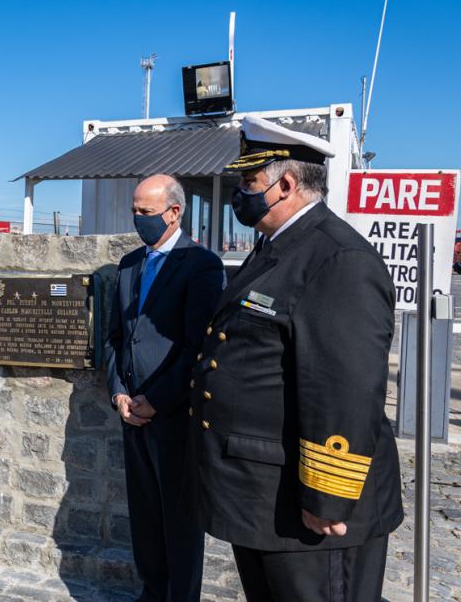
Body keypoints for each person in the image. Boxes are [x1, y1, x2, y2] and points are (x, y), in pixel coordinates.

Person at [187, 116, 403, 600]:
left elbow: (344, 388)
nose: (241, 193)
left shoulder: (336, 258)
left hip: (312, 512)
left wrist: (328, 496)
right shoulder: (278, 247)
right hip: (267, 499)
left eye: (249, 182)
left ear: (286, 185)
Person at [104, 175, 224, 601]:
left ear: (174, 213)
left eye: (146, 212)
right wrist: (119, 391)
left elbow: (199, 347)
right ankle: (152, 591)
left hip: (173, 416)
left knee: (179, 519)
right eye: (134, 211)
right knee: (146, 515)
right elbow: (116, 337)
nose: (137, 220)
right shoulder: (129, 264)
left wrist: (155, 401)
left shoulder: (201, 265)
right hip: (131, 412)